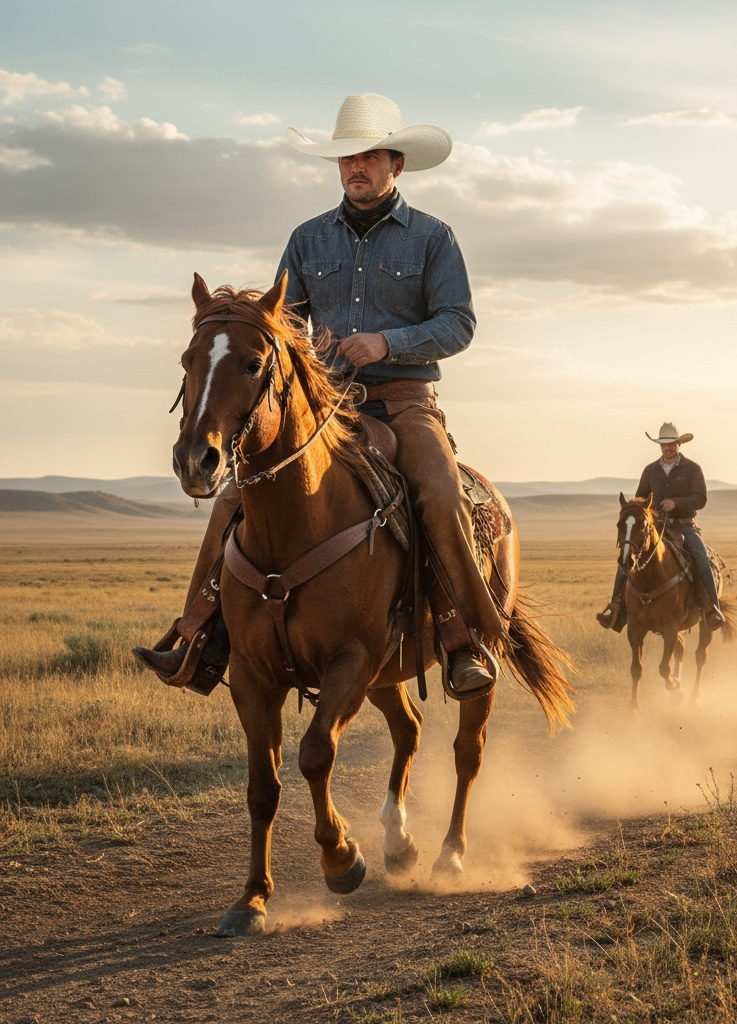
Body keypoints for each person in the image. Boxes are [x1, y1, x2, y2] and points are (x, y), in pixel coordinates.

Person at [135, 93, 503, 698]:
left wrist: (388, 343)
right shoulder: (306, 240)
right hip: (325, 406)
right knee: (237, 493)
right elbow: (281, 323)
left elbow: (458, 323)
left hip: (405, 401)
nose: (356, 168)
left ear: (396, 165)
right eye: (345, 159)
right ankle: (201, 637)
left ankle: (463, 639)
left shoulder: (433, 238)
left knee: (438, 492)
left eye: (369, 157)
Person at [596, 423, 725, 631]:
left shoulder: (693, 469)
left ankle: (712, 609)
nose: (668, 448)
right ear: (660, 446)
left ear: (678, 444)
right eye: (664, 444)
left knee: (702, 559)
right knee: (626, 559)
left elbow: (701, 499)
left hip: (684, 526)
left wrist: (676, 503)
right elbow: (640, 498)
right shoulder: (650, 470)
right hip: (654, 527)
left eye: (671, 443)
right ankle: (616, 609)